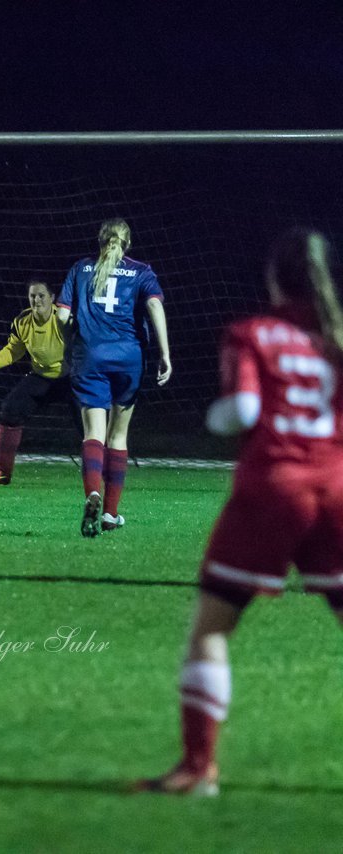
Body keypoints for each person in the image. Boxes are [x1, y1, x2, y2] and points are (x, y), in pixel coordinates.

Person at [137, 228, 343, 796]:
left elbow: (244, 409)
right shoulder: (337, 339)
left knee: (213, 628)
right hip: (337, 490)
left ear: (275, 277)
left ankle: (197, 769)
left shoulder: (252, 334)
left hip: (272, 490)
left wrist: (215, 418)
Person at [56, 218, 172, 537]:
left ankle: (92, 493)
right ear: (128, 244)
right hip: (129, 359)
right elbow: (154, 305)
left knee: (94, 432)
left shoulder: (81, 269)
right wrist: (164, 353)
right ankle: (109, 514)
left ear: (100, 241)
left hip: (90, 356)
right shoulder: (141, 271)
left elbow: (63, 315)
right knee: (118, 437)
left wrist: (70, 343)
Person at [0, 278, 72, 484]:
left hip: (69, 378)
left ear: (52, 298)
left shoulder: (64, 319)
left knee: (90, 423)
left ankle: (102, 472)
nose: (36, 300)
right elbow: (14, 350)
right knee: (10, 409)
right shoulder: (22, 321)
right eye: (32, 296)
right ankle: (2, 472)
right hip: (41, 377)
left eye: (41, 295)